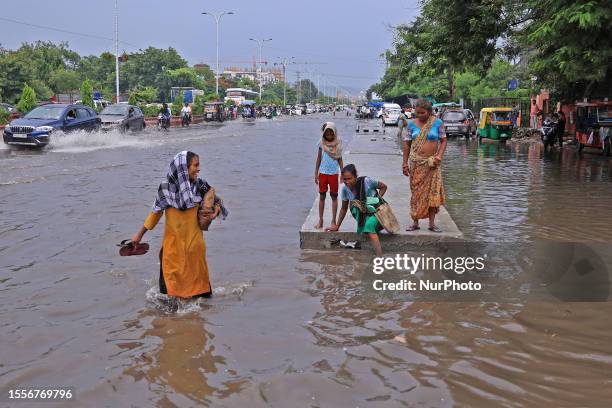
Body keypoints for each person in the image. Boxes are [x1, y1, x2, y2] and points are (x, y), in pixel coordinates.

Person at [131, 151, 225, 299]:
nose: (199, 169)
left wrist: (214, 214)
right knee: (189, 298)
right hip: (177, 251)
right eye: (196, 165)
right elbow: (155, 213)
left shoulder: (200, 186)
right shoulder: (168, 189)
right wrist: (139, 235)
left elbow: (216, 202)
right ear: (183, 168)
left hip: (188, 250)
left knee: (175, 301)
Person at [402, 99, 447, 232]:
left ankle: (432, 224)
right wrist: (404, 163)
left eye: (422, 113)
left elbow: (444, 141)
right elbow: (407, 144)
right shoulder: (411, 124)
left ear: (429, 112)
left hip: (432, 164)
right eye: (417, 113)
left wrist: (439, 155)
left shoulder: (437, 123)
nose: (419, 115)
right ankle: (415, 222)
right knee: (416, 193)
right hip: (416, 164)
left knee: (432, 194)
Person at [326, 164, 388, 256]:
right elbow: (343, 209)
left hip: (379, 214)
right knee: (354, 206)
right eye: (345, 179)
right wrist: (337, 225)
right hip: (364, 215)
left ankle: (379, 256)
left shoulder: (367, 181)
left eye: (350, 178)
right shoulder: (345, 190)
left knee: (369, 226)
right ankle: (363, 226)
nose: (347, 182)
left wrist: (376, 201)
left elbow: (384, 187)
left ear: (355, 177)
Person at [315, 122, 344, 229]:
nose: (329, 136)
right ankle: (321, 220)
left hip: (333, 174)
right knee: (322, 196)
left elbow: (340, 159)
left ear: (334, 133)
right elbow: (318, 159)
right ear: (324, 134)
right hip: (323, 173)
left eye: (331, 134)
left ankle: (333, 220)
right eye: (327, 134)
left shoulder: (338, 143)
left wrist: (342, 174)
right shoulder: (321, 143)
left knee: (334, 197)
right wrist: (316, 173)